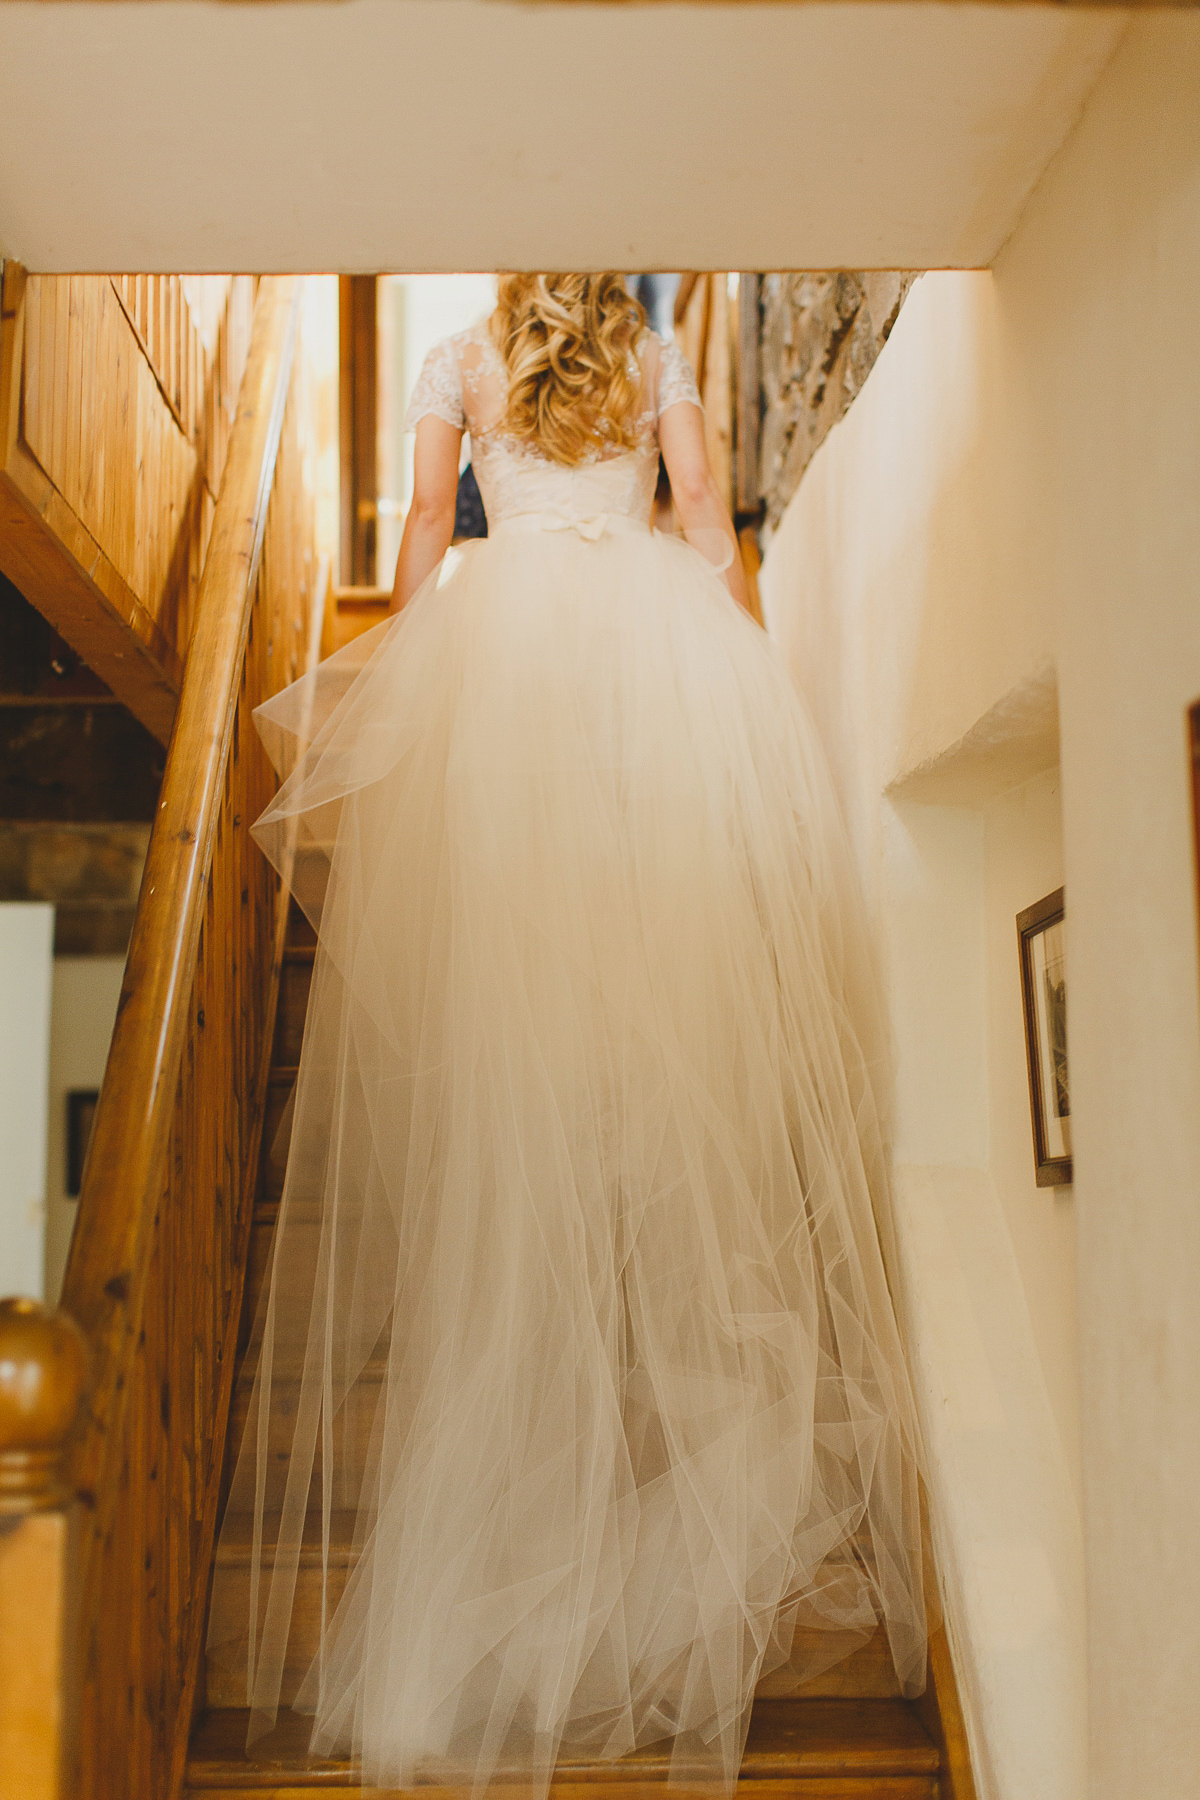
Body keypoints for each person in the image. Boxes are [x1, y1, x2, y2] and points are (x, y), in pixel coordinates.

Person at [209, 274, 929, 1796]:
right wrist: (734, 637)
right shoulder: (658, 343)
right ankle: (627, 1172)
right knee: (654, 931)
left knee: (519, 952)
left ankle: (565, 1211)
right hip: (649, 657)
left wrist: (406, 679)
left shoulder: (457, 354)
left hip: (513, 649)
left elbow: (416, 530)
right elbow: (708, 504)